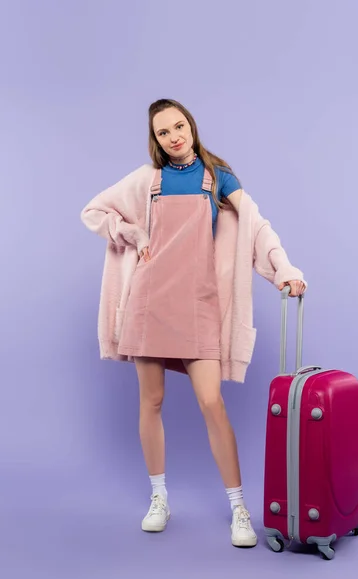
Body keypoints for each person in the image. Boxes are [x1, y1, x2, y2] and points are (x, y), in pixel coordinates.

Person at [81, 98, 306, 548]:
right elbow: (94, 211)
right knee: (152, 402)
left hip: (200, 301)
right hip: (149, 301)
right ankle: (159, 498)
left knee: (211, 403)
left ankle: (239, 508)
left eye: (178, 126)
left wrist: (286, 270)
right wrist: (133, 233)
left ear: (191, 125)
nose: (173, 137)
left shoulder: (218, 178)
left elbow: (257, 228)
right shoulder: (148, 179)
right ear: (156, 140)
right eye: (163, 132)